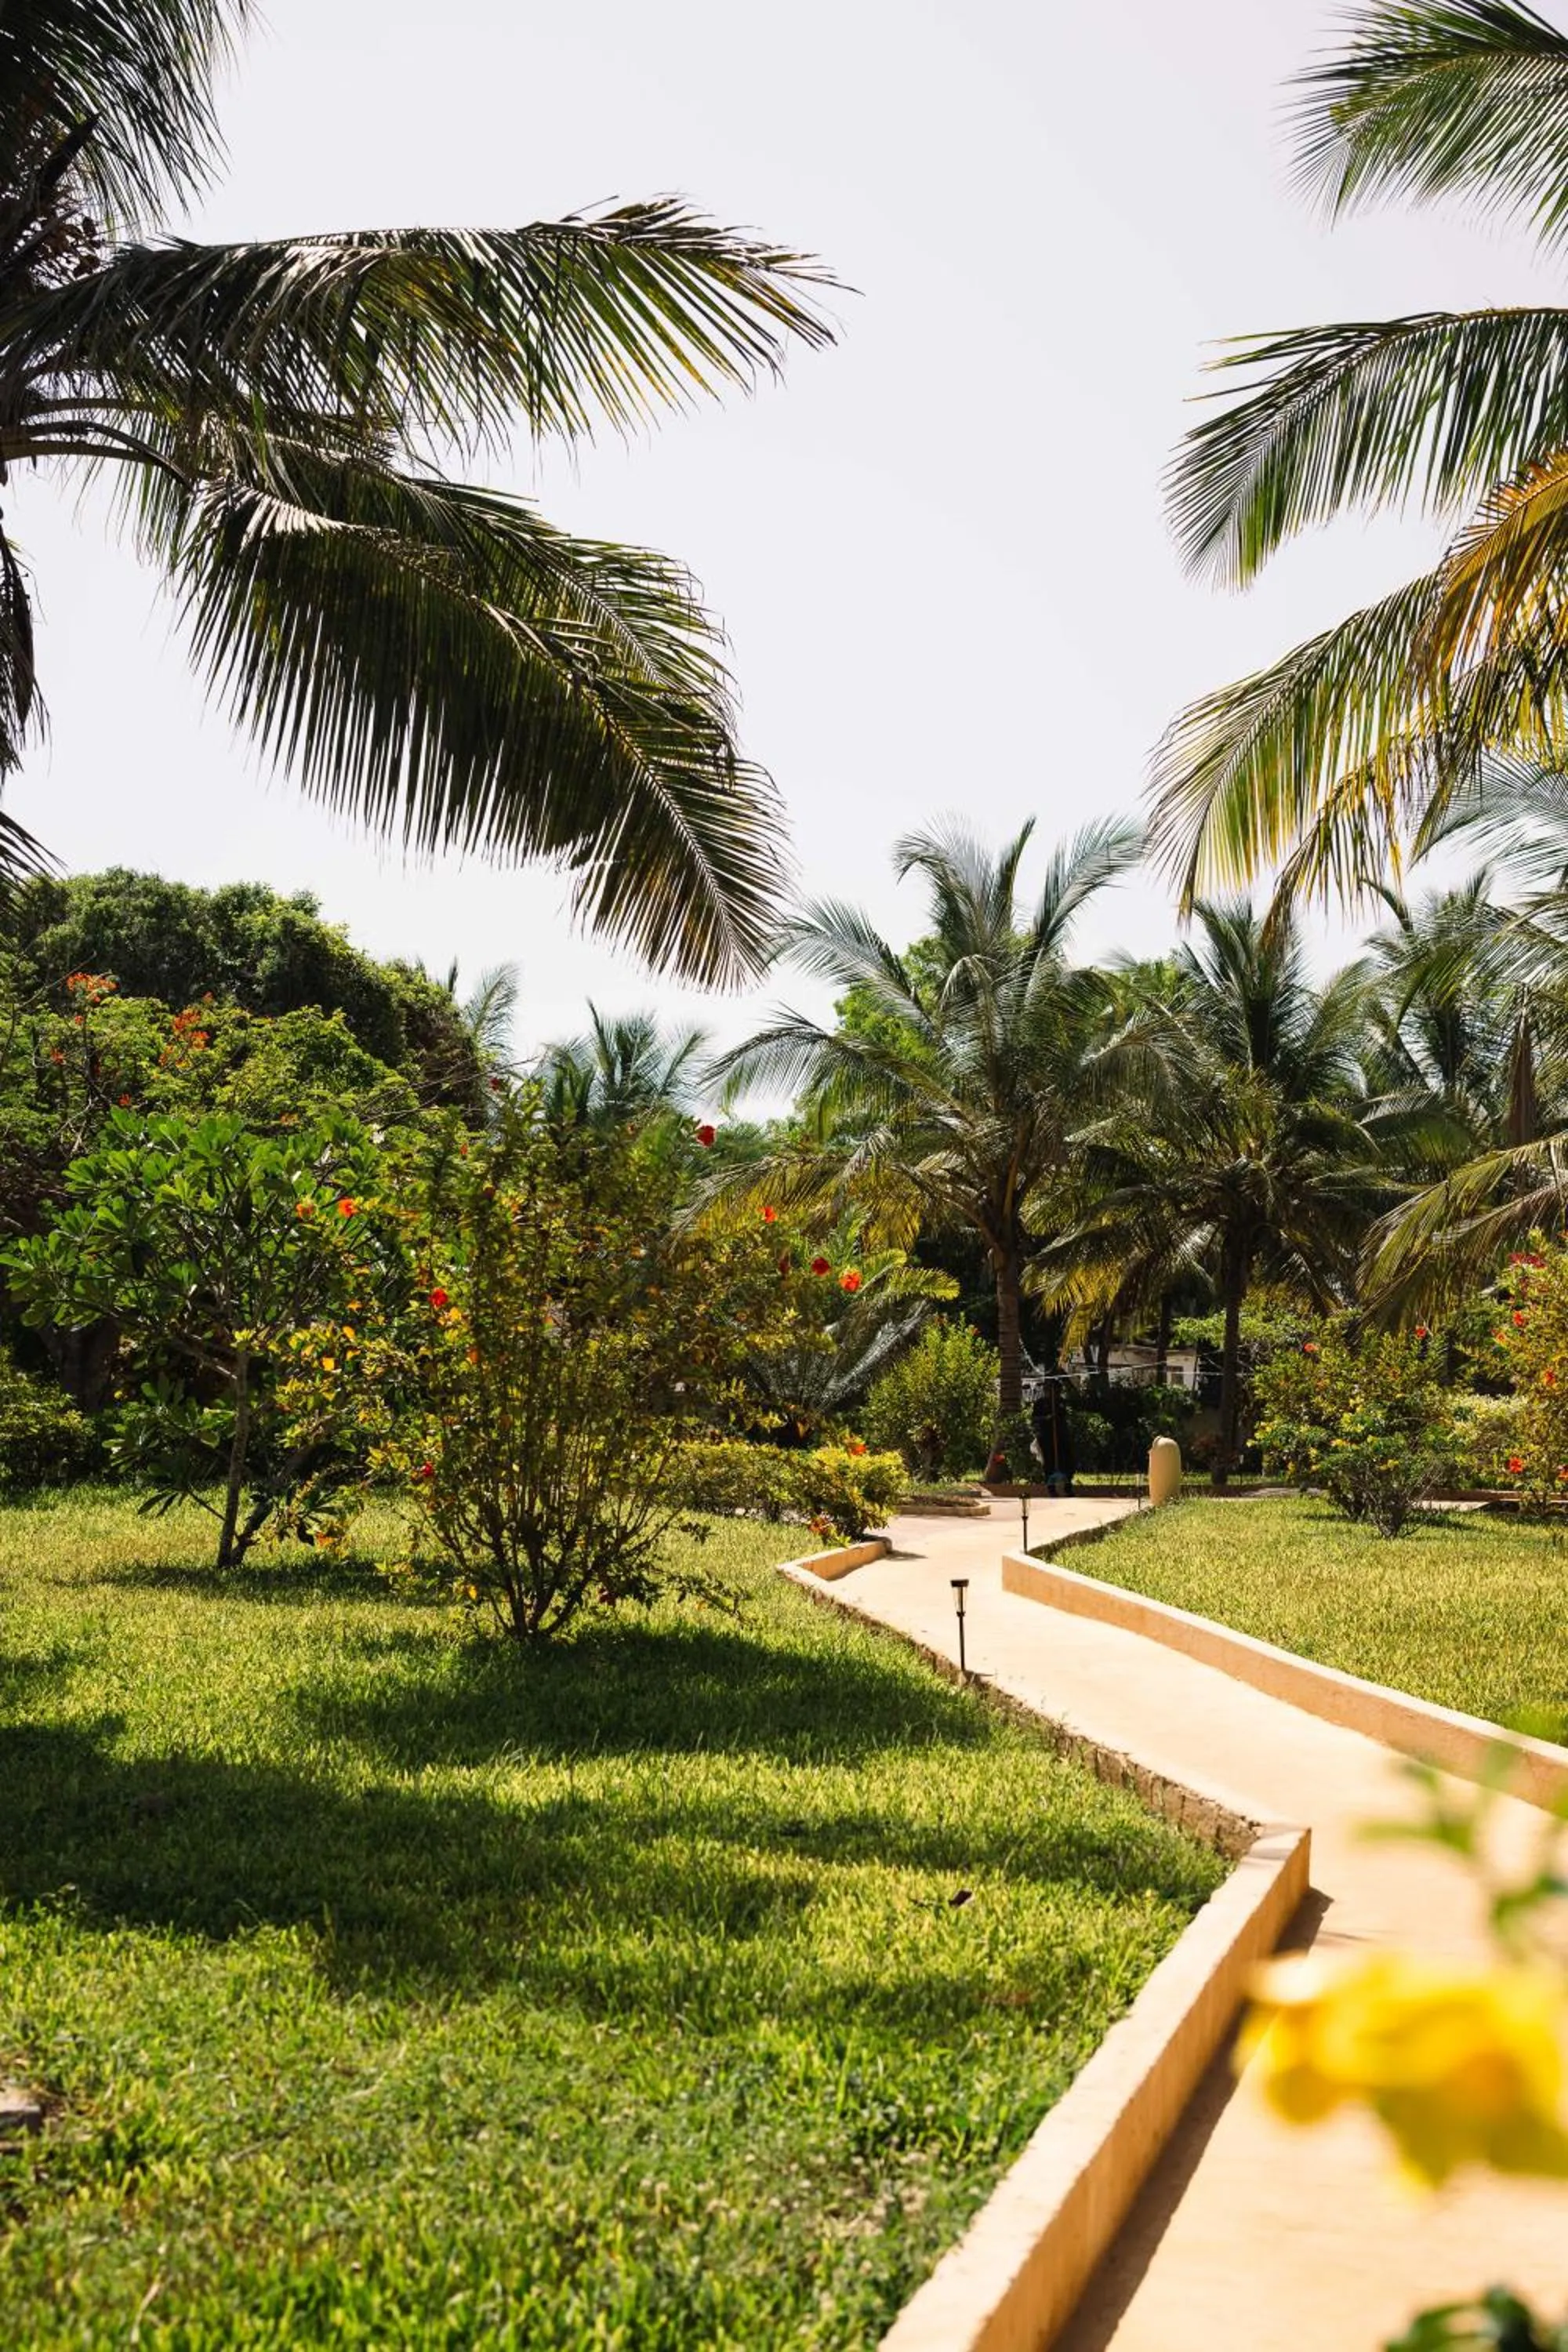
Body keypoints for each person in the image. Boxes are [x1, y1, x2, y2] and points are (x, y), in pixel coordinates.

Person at [1031, 1381, 1076, 1497]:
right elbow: (1035, 1419)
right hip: (1046, 1437)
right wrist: (1047, 1418)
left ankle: (1067, 1486)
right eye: (1053, 1391)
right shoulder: (1040, 1403)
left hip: (1061, 1436)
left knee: (1067, 1461)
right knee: (1049, 1463)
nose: (1056, 1393)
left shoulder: (1061, 1402)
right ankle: (1051, 1488)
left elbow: (1064, 1416)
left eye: (1058, 1391)